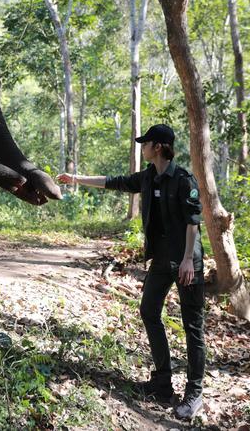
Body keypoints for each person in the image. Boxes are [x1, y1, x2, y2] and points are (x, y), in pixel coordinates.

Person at [57, 124, 205, 420]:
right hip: (162, 260)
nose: (142, 147)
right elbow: (115, 182)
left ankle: (194, 392)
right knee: (149, 311)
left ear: (159, 146)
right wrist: (76, 179)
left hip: (187, 261)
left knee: (192, 326)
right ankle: (163, 382)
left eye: (146, 143)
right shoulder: (148, 177)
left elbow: (193, 223)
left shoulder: (183, 179)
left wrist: (189, 259)